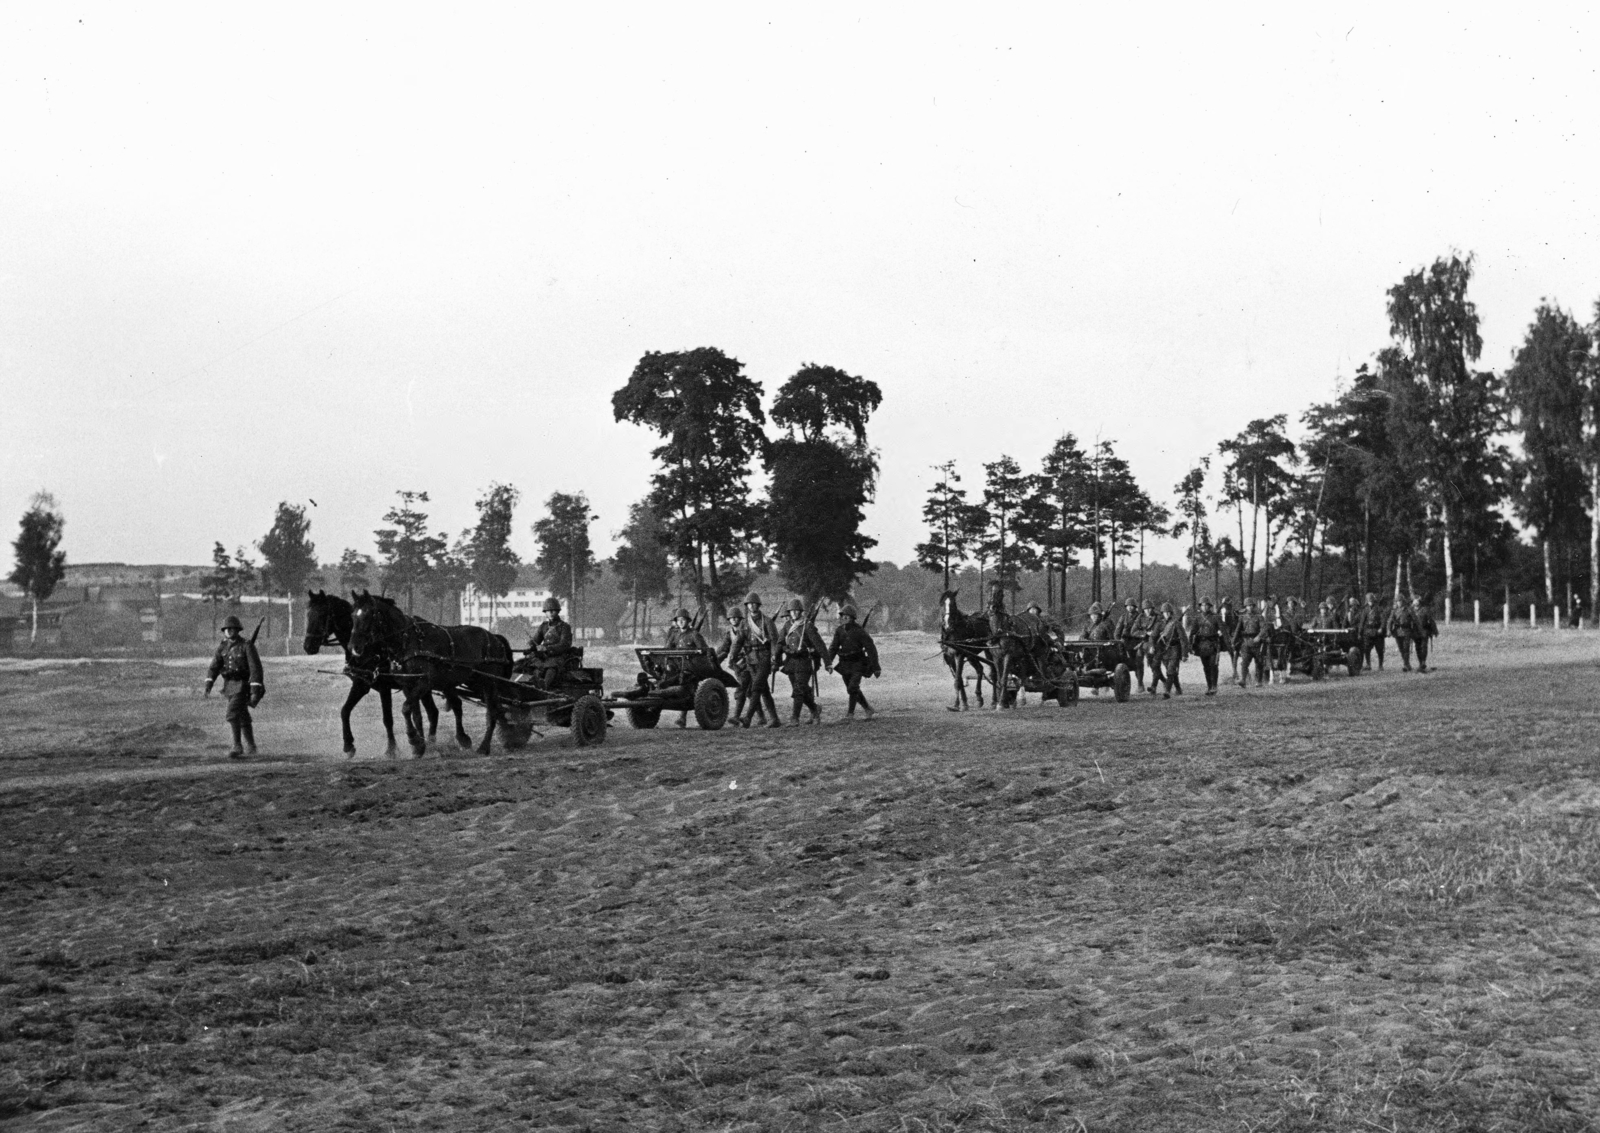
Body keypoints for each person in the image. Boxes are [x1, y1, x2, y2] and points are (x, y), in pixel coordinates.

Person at [205, 615, 265, 757]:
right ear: (224, 631)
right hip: (229, 685)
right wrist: (208, 684)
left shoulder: (246, 645)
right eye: (227, 629)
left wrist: (255, 690)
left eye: (232, 629)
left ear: (238, 630)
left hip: (243, 685)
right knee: (243, 715)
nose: (229, 631)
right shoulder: (222, 647)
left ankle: (237, 746)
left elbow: (256, 668)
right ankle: (251, 746)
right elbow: (214, 667)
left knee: (232, 714)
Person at [775, 598, 829, 724]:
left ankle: (795, 718)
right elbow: (780, 642)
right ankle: (815, 709)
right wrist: (776, 657)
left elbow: (819, 645)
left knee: (798, 689)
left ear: (800, 611)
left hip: (805, 662)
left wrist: (828, 662)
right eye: (792, 611)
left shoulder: (807, 625)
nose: (794, 613)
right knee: (801, 691)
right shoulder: (787, 625)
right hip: (791, 662)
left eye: (796, 610)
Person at [827, 604, 881, 719]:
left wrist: (876, 667)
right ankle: (868, 708)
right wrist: (828, 662)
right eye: (842, 616)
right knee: (851, 689)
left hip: (858, 663)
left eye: (847, 616)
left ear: (852, 618)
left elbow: (871, 649)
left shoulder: (860, 631)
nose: (844, 618)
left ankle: (850, 714)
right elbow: (833, 647)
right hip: (844, 664)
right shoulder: (839, 631)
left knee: (852, 688)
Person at [716, 607, 765, 728]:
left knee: (742, 688)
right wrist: (716, 660)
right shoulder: (730, 634)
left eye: (736, 618)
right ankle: (761, 716)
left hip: (749, 662)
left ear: (740, 618)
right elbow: (724, 649)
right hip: (737, 666)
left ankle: (736, 717)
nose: (733, 620)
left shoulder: (746, 629)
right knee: (748, 691)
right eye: (731, 618)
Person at [738, 592, 782, 728]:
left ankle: (748, 718)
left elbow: (775, 641)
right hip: (751, 659)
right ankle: (774, 719)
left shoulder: (767, 621)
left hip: (764, 658)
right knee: (764, 690)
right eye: (749, 604)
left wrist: (774, 656)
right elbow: (738, 641)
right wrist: (732, 655)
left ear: (758, 605)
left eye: (754, 603)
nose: (752, 606)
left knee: (756, 687)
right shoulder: (744, 623)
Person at [664, 608, 710, 727]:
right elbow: (667, 649)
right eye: (678, 620)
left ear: (688, 621)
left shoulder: (694, 634)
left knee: (687, 687)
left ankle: (684, 718)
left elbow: (704, 650)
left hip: (692, 668)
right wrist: (668, 662)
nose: (680, 622)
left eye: (683, 620)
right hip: (677, 667)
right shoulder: (675, 635)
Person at [527, 597, 574, 685]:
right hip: (544, 657)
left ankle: (545, 687)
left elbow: (564, 645)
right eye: (548, 611)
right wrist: (531, 645)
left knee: (550, 667)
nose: (551, 613)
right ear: (545, 612)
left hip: (558, 656)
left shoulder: (564, 627)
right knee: (530, 665)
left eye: (554, 610)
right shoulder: (543, 626)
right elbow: (535, 640)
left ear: (558, 611)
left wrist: (546, 648)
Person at [1149, 601, 1189, 698]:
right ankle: (1178, 688)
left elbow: (1183, 639)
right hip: (1164, 650)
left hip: (1175, 649)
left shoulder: (1176, 623)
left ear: (1171, 613)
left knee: (1170, 670)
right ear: (1162, 613)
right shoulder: (1159, 624)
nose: (1166, 614)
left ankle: (1167, 691)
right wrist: (1152, 646)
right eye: (1164, 612)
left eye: (1168, 612)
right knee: (1171, 671)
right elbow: (1152, 637)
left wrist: (1184, 654)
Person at [1189, 595, 1225, 695]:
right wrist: (1190, 645)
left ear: (1210, 606)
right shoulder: (1197, 618)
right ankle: (1209, 686)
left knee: (1213, 665)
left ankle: (1214, 686)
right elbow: (1192, 632)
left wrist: (1226, 644)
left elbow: (1223, 631)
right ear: (1200, 606)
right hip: (1201, 644)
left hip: (1213, 644)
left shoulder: (1215, 617)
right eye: (1203, 605)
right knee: (1206, 667)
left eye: (1206, 605)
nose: (1204, 607)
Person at [1236, 598, 1271, 688]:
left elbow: (1264, 628)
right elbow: (1237, 630)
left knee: (1259, 662)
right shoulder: (1242, 617)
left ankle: (1259, 681)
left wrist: (1259, 636)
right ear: (1246, 607)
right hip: (1246, 642)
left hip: (1257, 643)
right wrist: (1233, 641)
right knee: (1244, 662)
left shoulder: (1259, 617)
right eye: (1248, 605)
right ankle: (1243, 680)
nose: (1250, 607)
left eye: (1251, 605)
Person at [1388, 595, 1423, 672]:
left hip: (1406, 631)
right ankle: (1407, 663)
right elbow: (1390, 621)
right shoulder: (1394, 611)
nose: (1399, 603)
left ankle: (1406, 664)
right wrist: (1389, 630)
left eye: (1400, 601)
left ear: (1403, 602)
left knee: (1406, 648)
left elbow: (1416, 620)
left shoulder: (1409, 610)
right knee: (1401, 649)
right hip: (1397, 631)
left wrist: (1419, 630)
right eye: (1397, 601)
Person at [1359, 592, 1387, 672]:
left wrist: (1381, 628)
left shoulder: (1379, 608)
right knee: (1366, 649)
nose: (1370, 602)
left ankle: (1380, 665)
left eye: (1371, 600)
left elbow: (1383, 620)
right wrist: (1360, 632)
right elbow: (1362, 622)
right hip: (1367, 632)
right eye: (1368, 601)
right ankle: (1368, 664)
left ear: (1374, 600)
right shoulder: (1365, 610)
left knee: (1380, 649)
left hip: (1377, 631)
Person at [1413, 595, 1439, 672]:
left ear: (1419, 602)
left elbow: (1431, 621)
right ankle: (1420, 663)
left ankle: (1423, 662)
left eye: (1417, 602)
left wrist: (1435, 631)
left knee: (1423, 647)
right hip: (1415, 632)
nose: (1415, 604)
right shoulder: (1411, 611)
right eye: (1414, 602)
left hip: (1424, 631)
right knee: (1417, 648)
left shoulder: (1425, 610)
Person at [1217, 595, 1241, 679]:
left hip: (1231, 629)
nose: (1225, 605)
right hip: (1223, 629)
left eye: (1226, 604)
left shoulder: (1233, 611)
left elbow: (1237, 621)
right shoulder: (1220, 610)